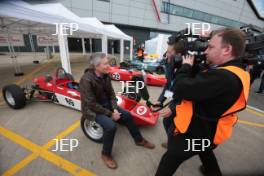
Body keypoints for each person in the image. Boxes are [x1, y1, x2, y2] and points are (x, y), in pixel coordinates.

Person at [155, 28, 250, 176]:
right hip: (211, 132)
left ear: (227, 49)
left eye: (211, 47)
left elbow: (180, 88)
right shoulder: (238, 71)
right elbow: (203, 87)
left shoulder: (223, 77)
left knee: (169, 159)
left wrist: (185, 66)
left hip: (196, 133)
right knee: (205, 152)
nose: (205, 51)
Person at [80, 53, 155, 170]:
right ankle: (105, 154)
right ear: (96, 66)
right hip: (92, 110)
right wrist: (111, 114)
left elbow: (111, 94)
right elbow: (91, 104)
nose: (108, 65)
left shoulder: (105, 75)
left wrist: (114, 108)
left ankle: (139, 140)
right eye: (105, 63)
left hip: (107, 106)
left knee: (128, 115)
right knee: (111, 127)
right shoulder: (86, 80)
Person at [152, 40, 186, 148]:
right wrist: (160, 101)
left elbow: (187, 94)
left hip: (187, 103)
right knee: (167, 121)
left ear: (179, 55)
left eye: (170, 52)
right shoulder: (171, 63)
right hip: (177, 101)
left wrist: (172, 108)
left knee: (176, 127)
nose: (167, 54)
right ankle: (172, 143)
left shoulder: (187, 69)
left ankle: (175, 145)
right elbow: (170, 87)